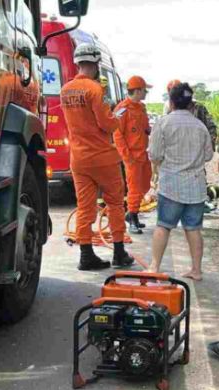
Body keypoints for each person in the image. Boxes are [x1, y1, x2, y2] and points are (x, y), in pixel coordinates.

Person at [59, 43, 135, 270]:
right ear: (94, 64)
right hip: (103, 158)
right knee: (114, 204)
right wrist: (117, 117)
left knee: (85, 207)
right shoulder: (95, 90)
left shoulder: (65, 90)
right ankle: (119, 254)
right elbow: (107, 124)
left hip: (78, 159)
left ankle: (86, 255)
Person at [147, 83, 213, 280]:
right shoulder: (200, 127)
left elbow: (155, 154)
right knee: (193, 229)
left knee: (163, 226)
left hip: (171, 186)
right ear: (191, 103)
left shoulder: (163, 123)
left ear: (171, 101)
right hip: (196, 187)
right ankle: (196, 270)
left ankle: (154, 267)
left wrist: (159, 169)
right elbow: (209, 155)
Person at [113, 75, 152, 235]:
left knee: (145, 185)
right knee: (134, 189)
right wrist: (126, 156)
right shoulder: (122, 110)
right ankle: (133, 218)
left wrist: (150, 131)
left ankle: (131, 214)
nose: (146, 93)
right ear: (137, 91)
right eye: (144, 90)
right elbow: (117, 134)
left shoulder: (141, 108)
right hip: (131, 157)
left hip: (143, 154)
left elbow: (144, 127)